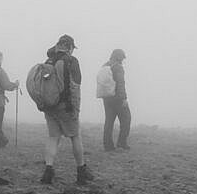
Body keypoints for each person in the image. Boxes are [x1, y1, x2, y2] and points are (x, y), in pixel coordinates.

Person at [40, 35, 94, 185]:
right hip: (66, 106)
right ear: (69, 47)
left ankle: (48, 171)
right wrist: (74, 108)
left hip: (50, 106)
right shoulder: (71, 61)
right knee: (75, 136)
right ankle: (81, 171)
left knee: (52, 138)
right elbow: (75, 86)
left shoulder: (49, 61)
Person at [99, 49, 131, 151]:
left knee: (109, 121)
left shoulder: (105, 65)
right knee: (126, 119)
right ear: (119, 57)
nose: (123, 60)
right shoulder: (118, 67)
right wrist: (124, 98)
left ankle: (108, 145)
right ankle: (121, 143)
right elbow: (120, 83)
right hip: (117, 98)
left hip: (107, 97)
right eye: (122, 57)